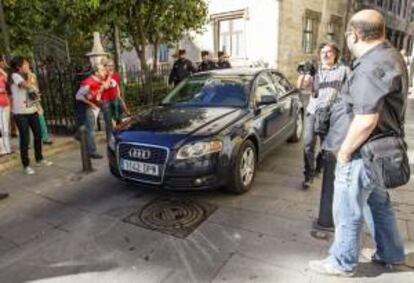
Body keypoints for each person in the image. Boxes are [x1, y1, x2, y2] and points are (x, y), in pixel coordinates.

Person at [309, 9, 407, 276]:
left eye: (348, 35)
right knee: (378, 204)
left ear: (356, 34)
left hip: (363, 152)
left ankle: (342, 262)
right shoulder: (391, 55)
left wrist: (344, 152)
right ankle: (392, 252)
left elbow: (366, 119)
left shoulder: (370, 66)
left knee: (348, 209)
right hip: (380, 151)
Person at [301, 42, 349, 189]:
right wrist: (306, 80)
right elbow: (302, 87)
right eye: (323, 52)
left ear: (335, 55)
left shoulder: (344, 70)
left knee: (326, 146)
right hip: (313, 111)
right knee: (308, 144)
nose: (325, 55)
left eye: (329, 52)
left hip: (331, 114)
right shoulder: (315, 69)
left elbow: (351, 89)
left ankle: (318, 167)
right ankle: (308, 174)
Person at [10, 56, 53, 174]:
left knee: (38, 135)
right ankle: (26, 165)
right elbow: (27, 85)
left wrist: (37, 94)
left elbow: (33, 90)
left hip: (32, 110)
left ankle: (39, 159)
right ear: (18, 67)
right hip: (21, 113)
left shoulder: (28, 76)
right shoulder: (15, 76)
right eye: (25, 64)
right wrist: (29, 74)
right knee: (25, 139)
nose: (28, 65)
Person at [75, 64, 107, 159]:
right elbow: (78, 96)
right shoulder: (89, 82)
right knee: (91, 129)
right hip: (88, 107)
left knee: (88, 127)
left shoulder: (99, 80)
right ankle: (92, 151)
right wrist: (90, 103)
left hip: (94, 106)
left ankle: (78, 135)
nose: (104, 71)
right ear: (96, 73)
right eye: (101, 70)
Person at [101, 59, 129, 141]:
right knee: (109, 123)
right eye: (109, 66)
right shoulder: (102, 76)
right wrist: (109, 76)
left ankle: (120, 138)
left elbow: (118, 88)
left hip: (115, 100)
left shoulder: (116, 75)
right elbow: (105, 86)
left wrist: (121, 100)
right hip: (106, 101)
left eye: (112, 65)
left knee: (119, 120)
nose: (111, 67)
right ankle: (110, 141)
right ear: (105, 67)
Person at [27, 69, 53, 145]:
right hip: (26, 103)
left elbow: (35, 87)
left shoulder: (32, 75)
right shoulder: (20, 77)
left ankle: (45, 138)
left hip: (35, 101)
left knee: (41, 118)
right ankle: (27, 142)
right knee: (27, 122)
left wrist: (37, 94)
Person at [0, 55, 12, 156]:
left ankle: (7, 148)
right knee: (1, 127)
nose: (4, 63)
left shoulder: (3, 75)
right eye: (2, 61)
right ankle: (3, 149)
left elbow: (8, 81)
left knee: (5, 126)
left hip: (5, 102)